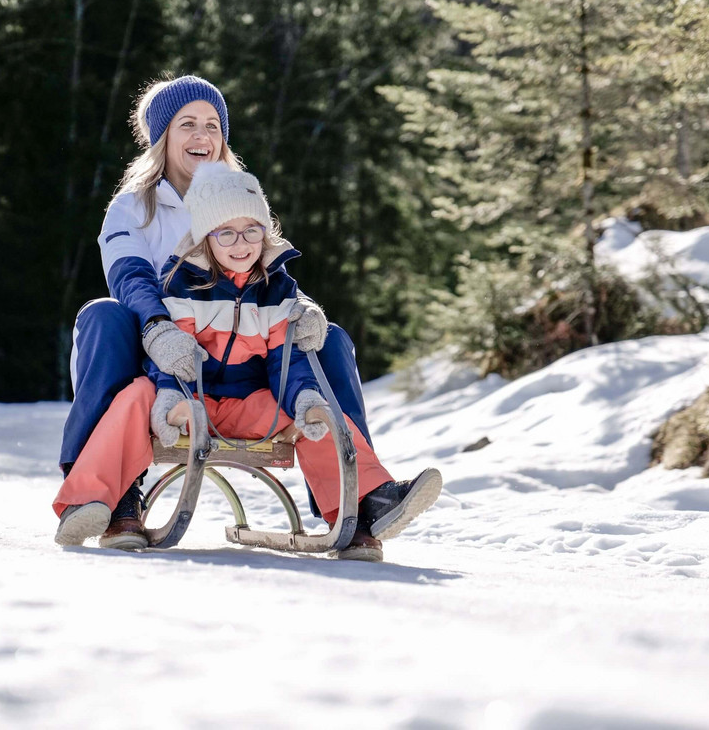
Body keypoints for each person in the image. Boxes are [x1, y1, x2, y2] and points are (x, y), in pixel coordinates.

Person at [53, 163, 442, 561]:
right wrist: (169, 397)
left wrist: (304, 397)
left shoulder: (276, 289)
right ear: (206, 238)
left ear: (265, 231)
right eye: (226, 233)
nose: (241, 244)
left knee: (319, 414)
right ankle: (87, 500)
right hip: (194, 403)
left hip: (250, 405)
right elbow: (176, 355)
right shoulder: (181, 282)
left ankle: (366, 500)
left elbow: (285, 361)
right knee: (138, 394)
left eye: (251, 231)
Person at [62, 74, 371, 524]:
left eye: (212, 125)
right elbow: (129, 277)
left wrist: (302, 307)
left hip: (240, 365)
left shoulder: (238, 197)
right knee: (103, 316)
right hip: (154, 355)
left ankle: (357, 500)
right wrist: (156, 326)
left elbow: (266, 273)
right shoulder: (131, 208)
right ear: (163, 136)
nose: (201, 135)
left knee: (330, 338)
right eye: (187, 124)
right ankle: (104, 491)